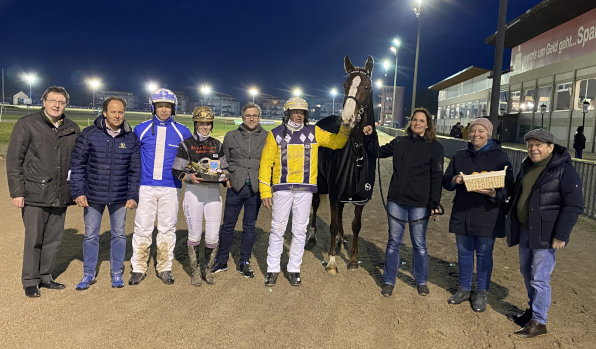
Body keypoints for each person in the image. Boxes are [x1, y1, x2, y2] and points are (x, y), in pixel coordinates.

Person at [259, 97, 352, 287]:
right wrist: (264, 191)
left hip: (305, 190)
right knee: (277, 229)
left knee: (300, 231)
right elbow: (266, 163)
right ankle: (273, 269)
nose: (299, 115)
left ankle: (294, 269)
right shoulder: (275, 134)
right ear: (288, 113)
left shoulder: (314, 132)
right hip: (282, 189)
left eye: (302, 112)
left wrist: (345, 126)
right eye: (295, 111)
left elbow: (337, 143)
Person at [507, 129, 583, 338]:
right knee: (527, 273)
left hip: (546, 234)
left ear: (550, 148)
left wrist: (561, 235)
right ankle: (533, 310)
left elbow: (574, 205)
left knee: (540, 278)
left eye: (538, 145)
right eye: (530, 144)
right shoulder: (527, 166)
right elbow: (518, 194)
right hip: (525, 230)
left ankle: (540, 322)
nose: (533, 148)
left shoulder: (564, 171)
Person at [7, 86, 81, 298]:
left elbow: (78, 162)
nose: (57, 105)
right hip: (34, 192)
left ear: (65, 104)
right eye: (52, 101)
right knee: (34, 239)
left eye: (61, 102)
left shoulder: (72, 128)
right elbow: (14, 161)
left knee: (54, 239)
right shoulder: (27, 124)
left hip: (60, 193)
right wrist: (17, 192)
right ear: (44, 102)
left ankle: (46, 276)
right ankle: (30, 280)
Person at [442, 118, 514, 312]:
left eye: (481, 131)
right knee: (464, 253)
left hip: (487, 213)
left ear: (488, 134)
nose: (476, 135)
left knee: (484, 254)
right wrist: (455, 179)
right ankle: (465, 288)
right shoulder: (460, 155)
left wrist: (493, 193)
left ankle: (481, 292)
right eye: (473, 131)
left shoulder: (501, 158)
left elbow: (509, 188)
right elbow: (446, 181)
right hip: (463, 211)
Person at [70, 96, 141, 290]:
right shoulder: (89, 134)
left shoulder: (130, 137)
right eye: (113, 112)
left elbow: (135, 170)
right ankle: (88, 273)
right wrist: (78, 192)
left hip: (119, 196)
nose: (117, 116)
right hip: (93, 195)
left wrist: (133, 195)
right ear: (104, 113)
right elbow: (77, 165)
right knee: (91, 235)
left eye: (121, 112)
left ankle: (116, 272)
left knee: (119, 235)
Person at [377, 108, 444, 297]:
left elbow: (437, 176)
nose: (417, 123)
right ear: (411, 122)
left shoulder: (436, 148)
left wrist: (434, 203)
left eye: (422, 120)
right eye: (415, 120)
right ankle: (389, 280)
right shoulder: (400, 142)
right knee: (393, 242)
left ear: (428, 124)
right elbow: (378, 152)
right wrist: (367, 135)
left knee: (419, 243)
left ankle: (421, 280)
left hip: (420, 204)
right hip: (396, 201)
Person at [129, 89, 192, 286]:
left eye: (167, 106)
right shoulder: (141, 129)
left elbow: (190, 160)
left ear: (173, 108)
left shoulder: (183, 131)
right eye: (160, 106)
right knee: (142, 228)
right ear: (153, 107)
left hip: (171, 187)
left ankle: (164, 267)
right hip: (145, 187)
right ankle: (138, 267)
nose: (163, 109)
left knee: (167, 228)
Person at [172, 106, 229, 286]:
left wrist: (225, 175)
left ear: (211, 125)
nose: (204, 127)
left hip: (213, 193)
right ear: (195, 123)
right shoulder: (186, 145)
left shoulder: (217, 145)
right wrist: (190, 176)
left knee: (212, 235)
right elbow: (176, 170)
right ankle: (195, 272)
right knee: (194, 234)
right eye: (201, 123)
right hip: (193, 193)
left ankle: (207, 270)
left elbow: (225, 168)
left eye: (207, 124)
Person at [212, 103, 268, 278]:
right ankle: (221, 260)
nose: (252, 118)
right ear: (243, 117)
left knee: (249, 227)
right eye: (249, 115)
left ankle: (244, 262)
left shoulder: (268, 137)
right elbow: (224, 160)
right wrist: (226, 178)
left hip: (255, 189)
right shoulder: (231, 136)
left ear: (259, 117)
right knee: (228, 226)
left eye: (255, 115)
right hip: (235, 187)